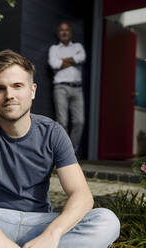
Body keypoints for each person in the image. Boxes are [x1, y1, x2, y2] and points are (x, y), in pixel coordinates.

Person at [0, 49, 120, 248]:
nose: (9, 95)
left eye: (17, 86)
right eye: (0, 88)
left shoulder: (52, 132)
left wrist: (52, 234)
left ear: (32, 90)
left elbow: (82, 195)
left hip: (39, 226)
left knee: (106, 221)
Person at [48, 21, 86, 154]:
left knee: (79, 121)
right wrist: (73, 60)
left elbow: (82, 57)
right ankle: (63, 153)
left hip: (77, 88)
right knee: (62, 122)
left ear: (70, 32)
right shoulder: (54, 49)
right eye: (61, 30)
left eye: (66, 30)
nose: (64, 32)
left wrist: (62, 61)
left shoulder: (78, 46)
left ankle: (72, 152)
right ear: (58, 33)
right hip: (60, 88)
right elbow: (53, 64)